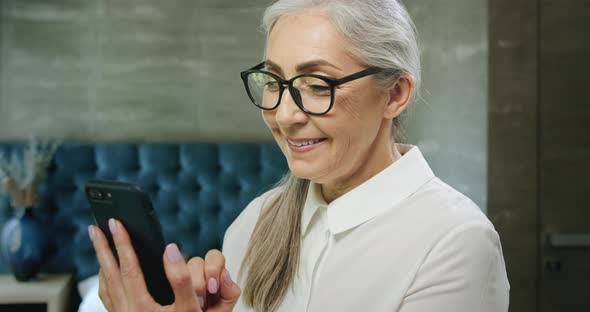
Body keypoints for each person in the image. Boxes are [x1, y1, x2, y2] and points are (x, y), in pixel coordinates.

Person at [88, 0, 510, 311]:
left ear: (394, 94)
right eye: (273, 81)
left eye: (317, 83)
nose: (284, 115)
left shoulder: (456, 242)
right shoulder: (254, 224)